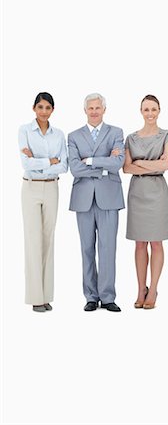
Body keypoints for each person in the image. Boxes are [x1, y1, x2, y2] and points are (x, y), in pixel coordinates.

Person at [68, 93, 125, 312]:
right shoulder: (74, 136)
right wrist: (103, 167)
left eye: (97, 108)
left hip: (109, 197)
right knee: (86, 248)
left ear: (104, 109)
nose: (94, 111)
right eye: (90, 108)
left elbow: (118, 162)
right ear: (85, 111)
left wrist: (90, 161)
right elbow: (74, 168)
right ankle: (91, 296)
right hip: (83, 198)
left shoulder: (116, 132)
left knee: (108, 248)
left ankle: (108, 296)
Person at [123, 95, 168, 309]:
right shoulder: (131, 138)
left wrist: (140, 162)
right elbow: (126, 168)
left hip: (157, 191)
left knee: (156, 242)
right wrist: (152, 164)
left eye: (154, 109)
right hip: (138, 192)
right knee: (140, 243)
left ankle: (153, 289)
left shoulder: (167, 136)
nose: (150, 113)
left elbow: (166, 165)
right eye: (146, 109)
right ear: (141, 111)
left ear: (159, 110)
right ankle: (140, 288)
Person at [18, 92, 68, 312]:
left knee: (48, 240)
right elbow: (26, 165)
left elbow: (64, 166)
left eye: (48, 107)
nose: (44, 111)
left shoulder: (59, 134)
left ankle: (46, 295)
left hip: (52, 187)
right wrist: (49, 160)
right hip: (30, 188)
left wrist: (39, 162)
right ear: (34, 108)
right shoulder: (24, 131)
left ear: (52, 110)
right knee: (33, 240)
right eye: (40, 107)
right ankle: (35, 297)